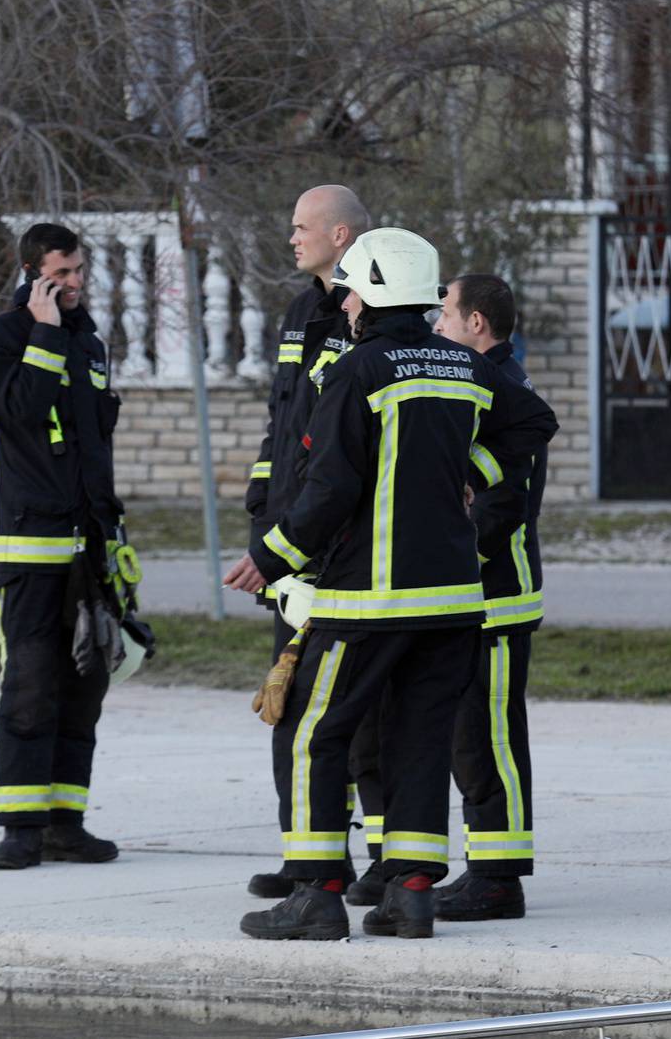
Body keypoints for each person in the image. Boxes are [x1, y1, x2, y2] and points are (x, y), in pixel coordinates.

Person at [224, 228, 557, 941]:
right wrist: (476, 473)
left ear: (371, 291)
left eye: (349, 286)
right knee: (420, 742)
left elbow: (330, 486)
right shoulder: (459, 363)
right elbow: (535, 420)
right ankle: (409, 894)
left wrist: (272, 556)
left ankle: (317, 895)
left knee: (316, 732)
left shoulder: (361, 369)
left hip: (369, 598)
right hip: (453, 603)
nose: (341, 299)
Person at [0, 222, 128, 871]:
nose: (72, 283)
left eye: (78, 272)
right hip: (30, 547)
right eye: (60, 273)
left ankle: (67, 822)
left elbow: (96, 445)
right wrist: (42, 330)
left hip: (88, 547)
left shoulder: (88, 341)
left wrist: (111, 534)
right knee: (31, 686)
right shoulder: (2, 338)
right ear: (32, 273)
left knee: (83, 686)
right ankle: (20, 826)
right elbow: (23, 414)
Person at [245, 185, 368, 901]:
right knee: (288, 704)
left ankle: (375, 862)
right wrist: (264, 513)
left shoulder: (368, 315)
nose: (291, 239)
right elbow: (282, 424)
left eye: (301, 228)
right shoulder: (301, 312)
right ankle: (307, 857)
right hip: (287, 544)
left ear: (341, 234)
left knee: (354, 714)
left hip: (341, 548)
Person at [425, 273, 546, 922]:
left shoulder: (507, 392)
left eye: (446, 314)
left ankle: (499, 880)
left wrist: (455, 556)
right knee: (469, 739)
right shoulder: (481, 385)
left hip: (496, 597)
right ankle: (486, 867)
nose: (438, 325)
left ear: (477, 324)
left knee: (489, 739)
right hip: (474, 596)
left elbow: (500, 505)